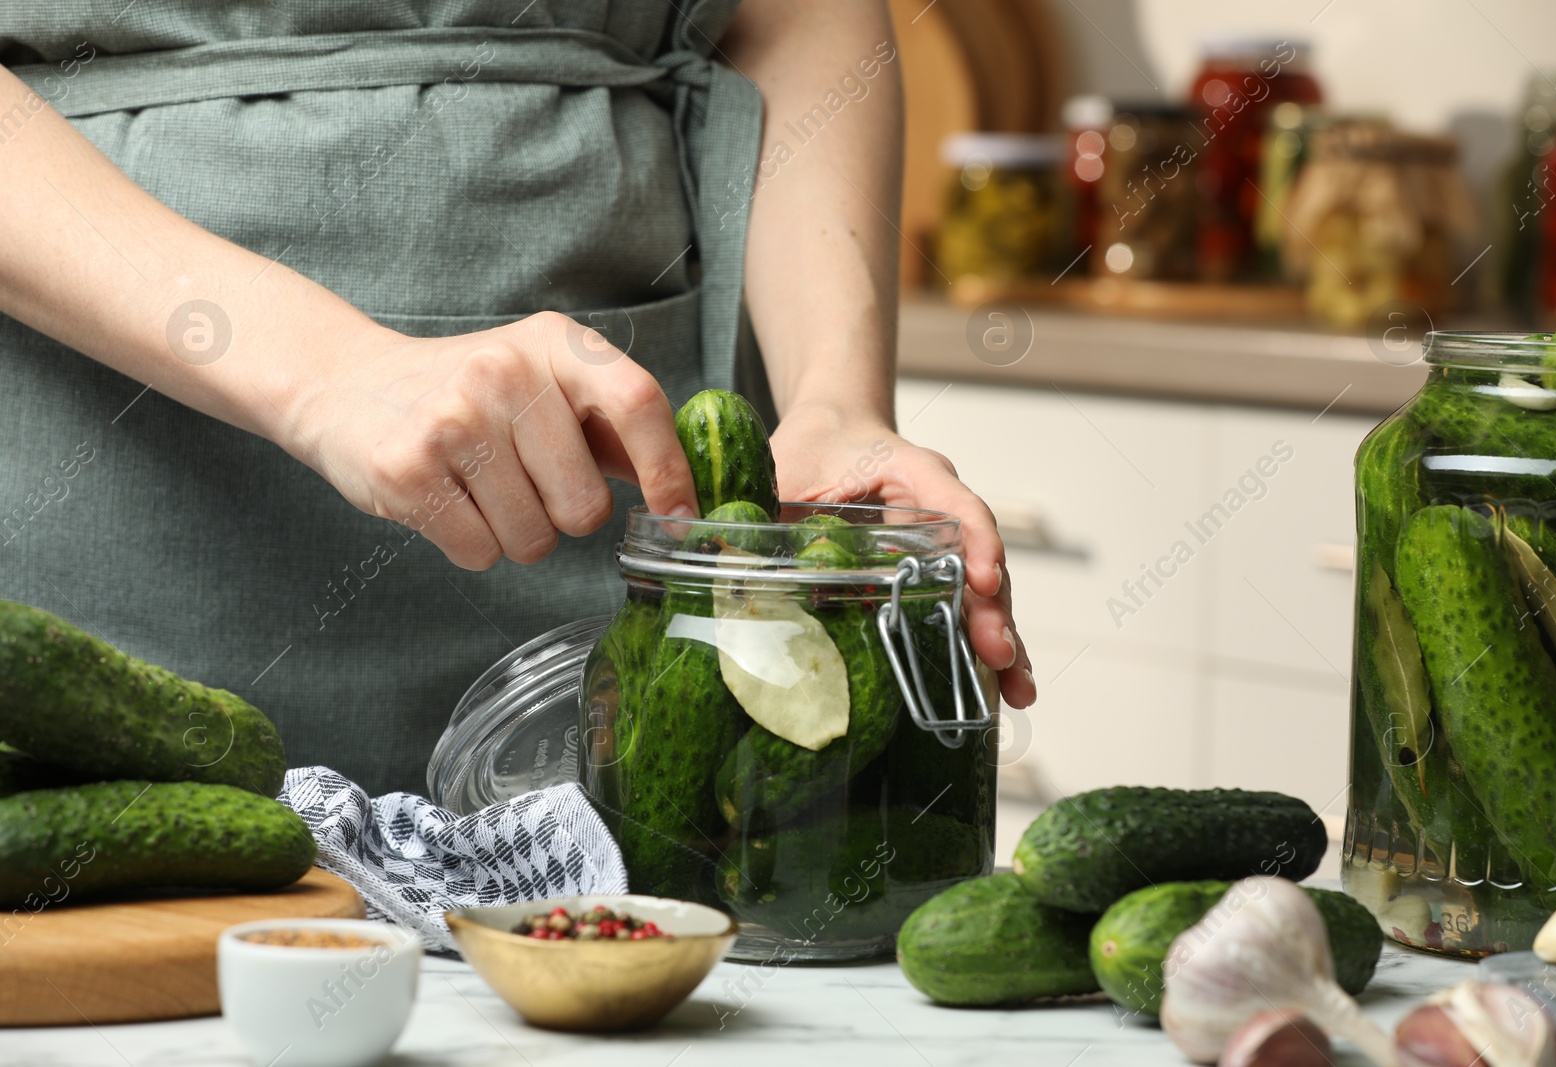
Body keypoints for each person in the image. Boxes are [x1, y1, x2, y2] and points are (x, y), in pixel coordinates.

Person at [0, 0, 1034, 795]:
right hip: (120, 493)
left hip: (622, 514)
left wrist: (834, 401)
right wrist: (329, 374)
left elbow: (795, 15)